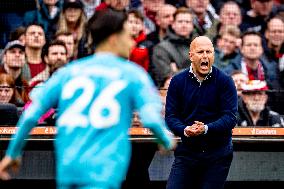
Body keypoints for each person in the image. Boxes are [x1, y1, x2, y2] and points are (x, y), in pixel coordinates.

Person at [0, 9, 175, 189]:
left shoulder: (68, 72)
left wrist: (12, 153)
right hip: (103, 173)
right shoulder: (132, 74)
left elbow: (30, 115)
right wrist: (165, 140)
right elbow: (151, 119)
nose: (131, 42)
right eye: (127, 36)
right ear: (114, 39)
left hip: (68, 170)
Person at [166, 36, 238, 189]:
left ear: (213, 55)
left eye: (209, 52)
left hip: (218, 154)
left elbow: (230, 118)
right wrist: (185, 130)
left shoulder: (225, 81)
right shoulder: (177, 81)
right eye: (200, 52)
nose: (205, 56)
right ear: (191, 56)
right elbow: (171, 117)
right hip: (187, 153)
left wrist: (206, 128)